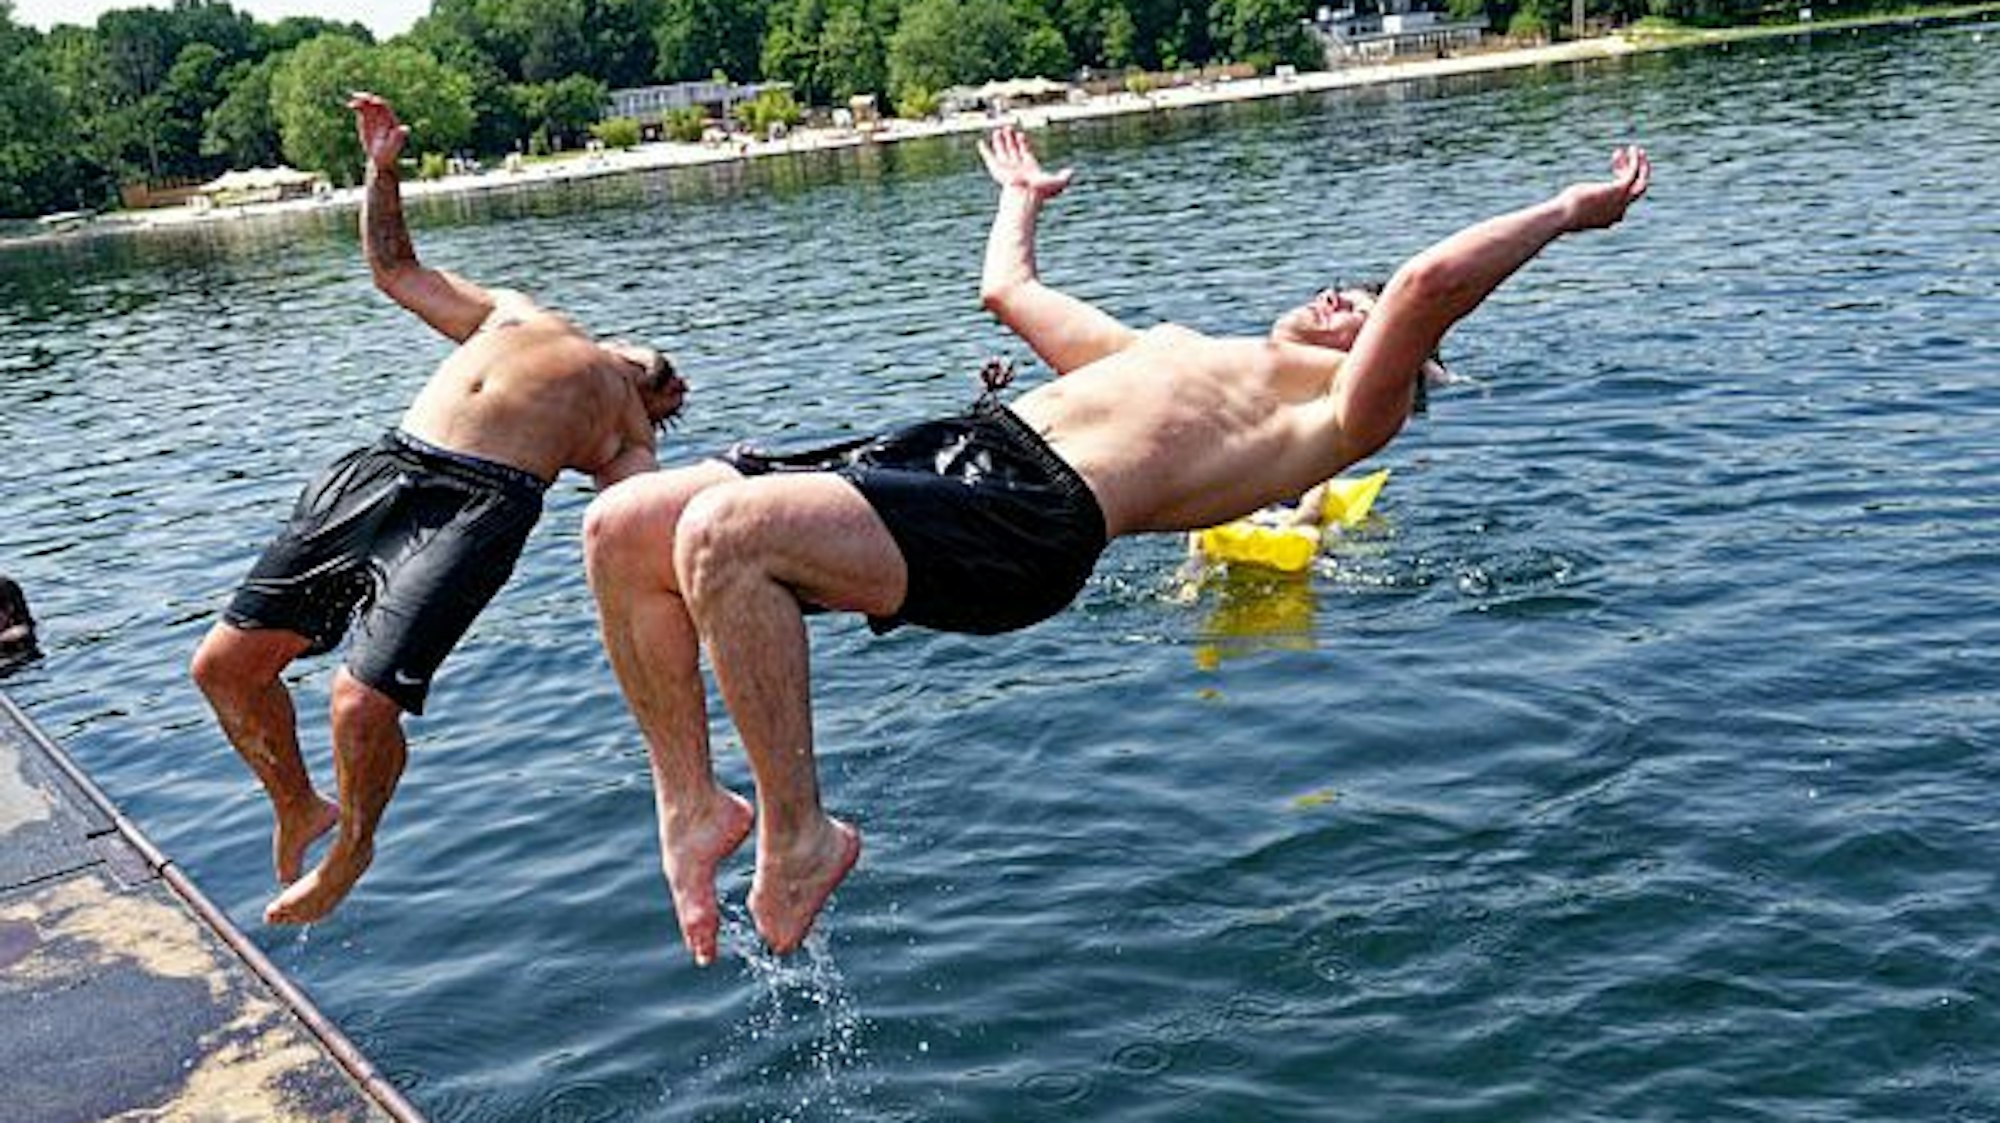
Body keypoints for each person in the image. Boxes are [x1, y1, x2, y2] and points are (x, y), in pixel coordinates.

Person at [583, 125, 1650, 964]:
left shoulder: (1332, 419)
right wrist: (1018, 201)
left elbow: (1422, 289)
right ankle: (690, 801)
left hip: (1032, 521)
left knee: (727, 532)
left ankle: (799, 833)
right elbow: (1010, 292)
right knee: (620, 528)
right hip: (950, 452)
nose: (1344, 295)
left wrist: (1563, 211)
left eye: (1358, 311)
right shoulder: (1171, 352)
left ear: (1383, 354)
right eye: (1343, 288)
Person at [190, 92, 688, 926]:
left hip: (483, 503)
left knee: (359, 701)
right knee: (223, 668)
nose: (669, 377)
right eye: (666, 368)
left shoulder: (625, 430)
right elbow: (397, 271)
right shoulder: (519, 311)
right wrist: (381, 171)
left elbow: (635, 530)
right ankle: (296, 802)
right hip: (383, 467)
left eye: (673, 388)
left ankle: (352, 845)